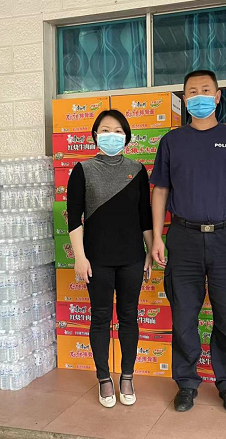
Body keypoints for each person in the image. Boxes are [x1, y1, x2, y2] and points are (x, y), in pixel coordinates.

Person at [150, 70, 226, 414]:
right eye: (192, 92)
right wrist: (157, 237)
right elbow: (160, 190)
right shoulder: (172, 141)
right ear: (184, 99)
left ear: (217, 96)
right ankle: (186, 383)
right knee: (184, 316)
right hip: (183, 238)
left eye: (206, 90)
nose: (199, 96)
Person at [67, 109, 153, 408]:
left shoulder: (138, 170)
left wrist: (150, 251)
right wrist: (79, 257)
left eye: (118, 131)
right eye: (105, 130)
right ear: (94, 135)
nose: (111, 135)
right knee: (101, 317)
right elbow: (74, 218)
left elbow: (145, 216)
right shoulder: (82, 169)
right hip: (97, 259)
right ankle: (104, 378)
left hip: (132, 258)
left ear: (126, 136)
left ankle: (127, 376)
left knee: (129, 316)